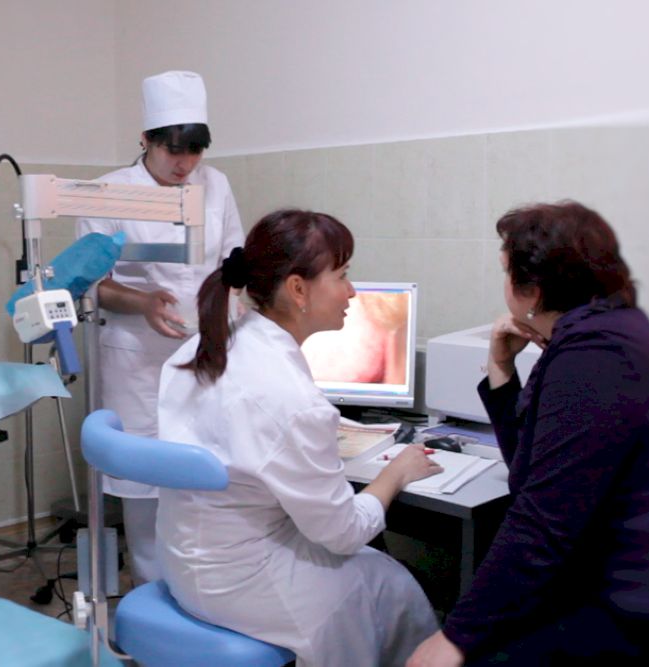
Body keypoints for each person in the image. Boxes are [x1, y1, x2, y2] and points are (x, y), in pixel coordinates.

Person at [408, 201, 649, 666]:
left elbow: (540, 523)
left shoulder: (593, 356)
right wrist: (501, 367)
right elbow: (530, 473)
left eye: (507, 272)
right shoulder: (604, 332)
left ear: (531, 292)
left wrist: (455, 636)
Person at [157, 209, 441, 667]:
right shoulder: (291, 399)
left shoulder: (201, 349)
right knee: (390, 582)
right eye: (342, 276)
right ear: (298, 289)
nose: (352, 291)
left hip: (183, 562)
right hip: (243, 585)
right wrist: (395, 474)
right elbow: (344, 534)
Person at [76, 70, 243, 585]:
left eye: (195, 151)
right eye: (173, 150)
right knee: (145, 489)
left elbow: (233, 263)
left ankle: (203, 595)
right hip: (137, 360)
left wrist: (233, 312)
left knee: (206, 478)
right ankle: (153, 598)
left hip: (204, 354)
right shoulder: (108, 192)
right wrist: (143, 302)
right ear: (145, 140)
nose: (184, 164)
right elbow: (91, 283)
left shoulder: (216, 184)